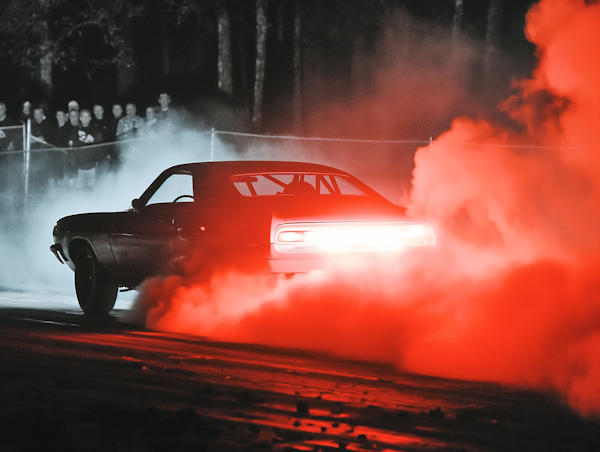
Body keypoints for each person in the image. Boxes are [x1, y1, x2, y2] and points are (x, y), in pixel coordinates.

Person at [70, 109, 103, 189]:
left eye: (87, 116)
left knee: (92, 189)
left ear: (90, 118)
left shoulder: (95, 130)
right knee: (81, 190)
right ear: (80, 118)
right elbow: (71, 144)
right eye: (83, 116)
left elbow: (100, 141)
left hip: (92, 167)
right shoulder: (75, 131)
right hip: (79, 167)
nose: (85, 119)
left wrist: (93, 139)